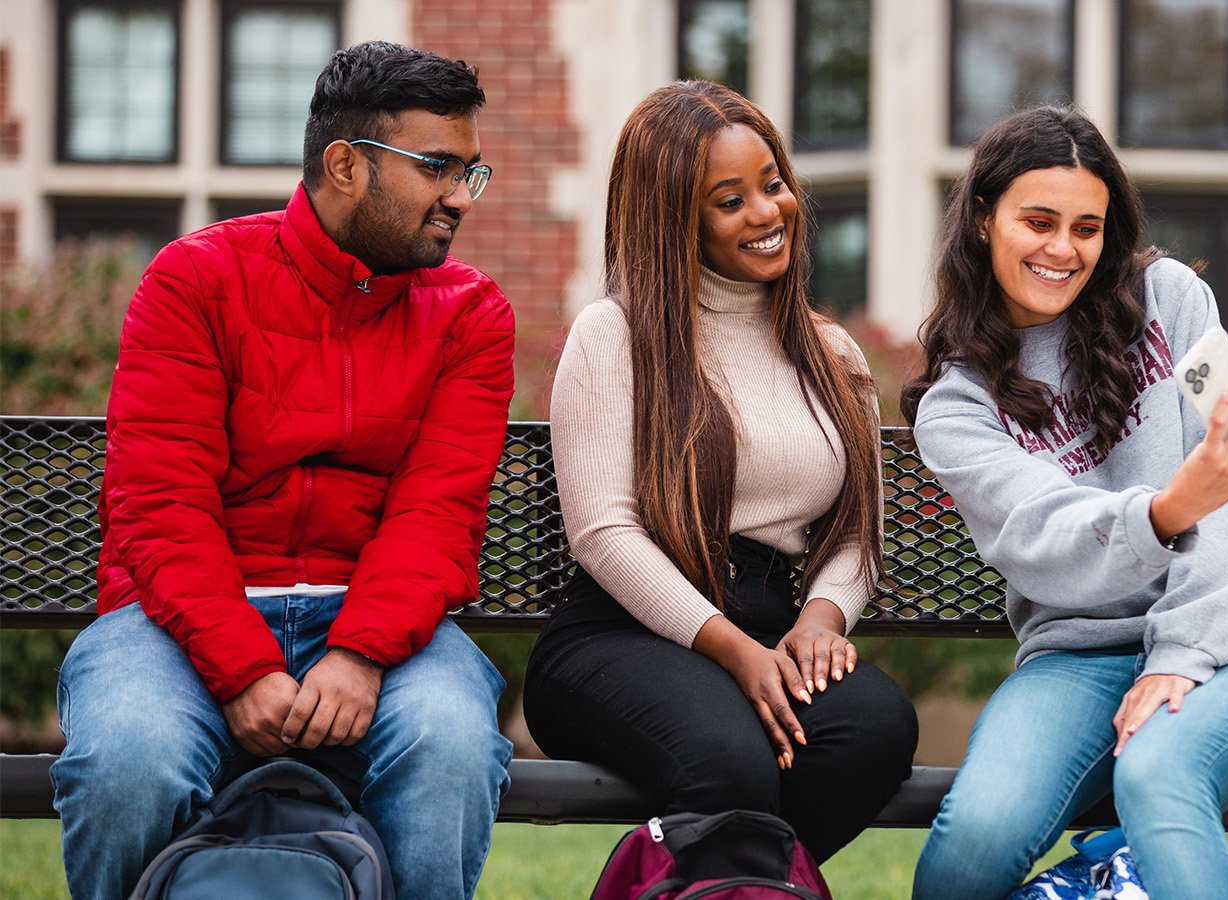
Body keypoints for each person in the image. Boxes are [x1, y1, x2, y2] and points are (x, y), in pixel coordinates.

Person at [51, 41, 514, 899]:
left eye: (470, 173)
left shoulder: (471, 315)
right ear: (346, 164)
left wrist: (361, 655)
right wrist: (245, 667)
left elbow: (437, 514)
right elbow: (160, 506)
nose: (460, 197)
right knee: (129, 761)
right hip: (177, 625)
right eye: (440, 167)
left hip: (381, 633)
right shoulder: (195, 280)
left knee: (450, 746)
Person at [903, 106, 1228, 900]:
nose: (1064, 249)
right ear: (985, 218)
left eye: (1087, 228)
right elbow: (1043, 535)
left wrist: (1181, 654)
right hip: (1077, 659)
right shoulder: (957, 403)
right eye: (1038, 221)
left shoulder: (1172, 302)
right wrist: (1165, 511)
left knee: (1159, 773)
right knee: (975, 841)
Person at [522, 80, 918, 862]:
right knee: (730, 758)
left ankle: (703, 879)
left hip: (775, 622)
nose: (768, 213)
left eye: (773, 185)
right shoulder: (613, 336)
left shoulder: (832, 352)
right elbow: (603, 533)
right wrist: (734, 650)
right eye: (729, 200)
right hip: (623, 632)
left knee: (873, 728)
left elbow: (853, 530)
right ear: (673, 215)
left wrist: (820, 621)